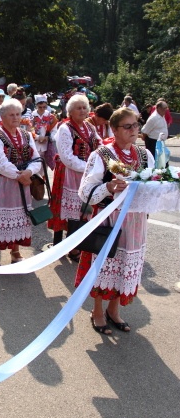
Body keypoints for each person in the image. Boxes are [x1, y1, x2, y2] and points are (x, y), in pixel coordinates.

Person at [75, 107, 154, 334]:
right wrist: (108, 187)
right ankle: (97, 311)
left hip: (135, 220)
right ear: (114, 129)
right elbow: (85, 192)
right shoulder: (101, 155)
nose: (133, 130)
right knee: (105, 263)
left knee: (124, 266)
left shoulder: (144, 154)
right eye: (127, 126)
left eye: (136, 125)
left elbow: (149, 185)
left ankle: (114, 309)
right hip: (108, 218)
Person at [0, 99, 42, 266]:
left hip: (21, 183)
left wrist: (29, 172)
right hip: (0, 184)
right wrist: (21, 175)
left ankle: (16, 250)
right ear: (2, 117)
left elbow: (37, 158)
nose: (16, 118)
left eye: (18, 114)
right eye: (11, 115)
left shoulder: (26, 135)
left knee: (20, 216)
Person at [47, 94, 101, 260]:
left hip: (87, 174)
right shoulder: (65, 128)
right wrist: (89, 168)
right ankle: (70, 247)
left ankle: (78, 244)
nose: (83, 110)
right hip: (69, 174)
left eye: (84, 107)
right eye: (78, 108)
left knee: (84, 210)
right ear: (70, 110)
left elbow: (100, 145)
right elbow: (67, 157)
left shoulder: (90, 127)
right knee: (72, 211)